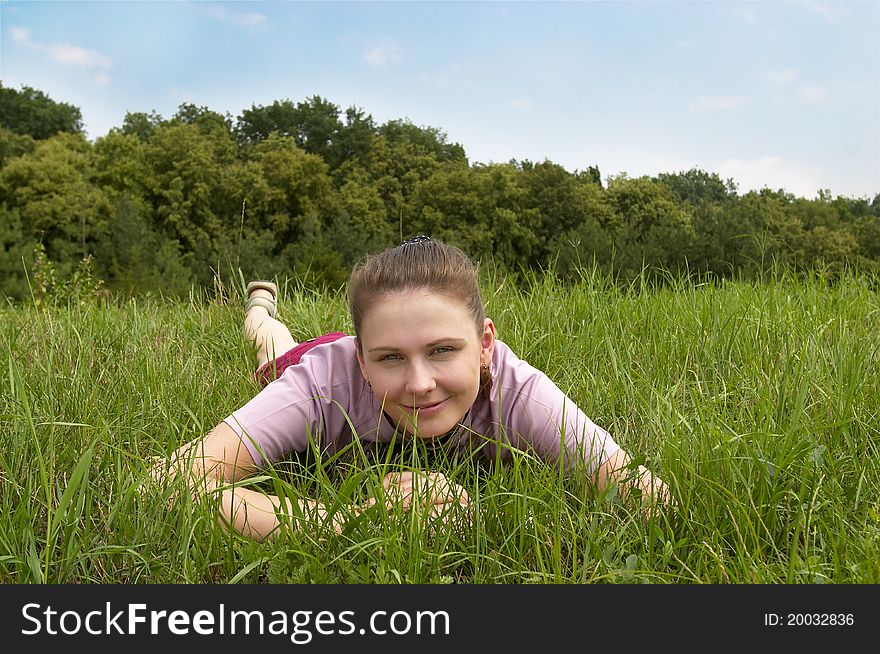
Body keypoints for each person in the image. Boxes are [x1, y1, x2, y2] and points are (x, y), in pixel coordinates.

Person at [151, 236, 671, 541]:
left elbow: (650, 498)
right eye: (392, 358)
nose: (420, 384)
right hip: (304, 357)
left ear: (485, 344)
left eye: (444, 350)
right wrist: (348, 520)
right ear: (362, 359)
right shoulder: (324, 380)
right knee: (269, 347)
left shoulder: (518, 393)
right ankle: (261, 306)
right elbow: (166, 482)